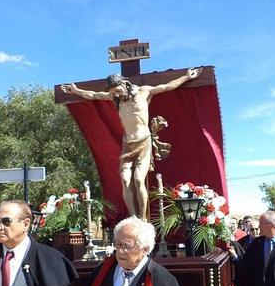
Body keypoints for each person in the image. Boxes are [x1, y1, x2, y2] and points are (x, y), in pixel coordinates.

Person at [60, 68, 202, 219]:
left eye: (118, 90)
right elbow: (94, 95)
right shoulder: (115, 98)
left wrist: (186, 77)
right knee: (125, 179)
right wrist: (75, 91)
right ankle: (133, 217)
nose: (116, 93)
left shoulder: (144, 92)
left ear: (125, 84)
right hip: (128, 144)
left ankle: (143, 218)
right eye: (114, 92)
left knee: (138, 179)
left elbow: (167, 86)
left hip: (143, 141)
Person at [77, 216, 189, 286]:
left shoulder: (161, 279)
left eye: (126, 246)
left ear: (145, 249)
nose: (120, 251)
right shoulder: (103, 271)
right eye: (118, 244)